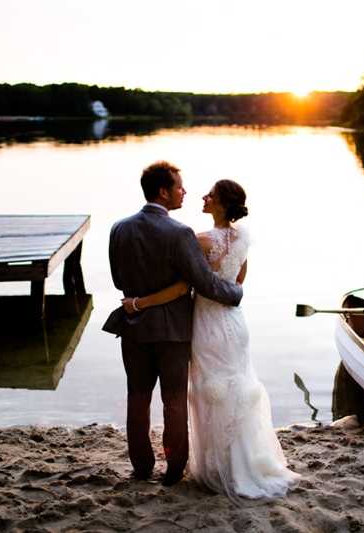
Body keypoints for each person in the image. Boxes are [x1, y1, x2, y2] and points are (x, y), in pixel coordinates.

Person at [121, 179, 302, 502]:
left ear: (220, 204)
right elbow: (238, 280)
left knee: (210, 392)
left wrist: (138, 303)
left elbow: (180, 289)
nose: (203, 197)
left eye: (211, 195)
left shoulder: (198, 240)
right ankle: (245, 461)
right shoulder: (243, 239)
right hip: (234, 324)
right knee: (238, 388)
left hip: (207, 325)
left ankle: (218, 466)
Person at [103, 161, 243, 487]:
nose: (185, 192)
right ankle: (173, 467)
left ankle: (141, 467)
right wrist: (234, 293)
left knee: (137, 397)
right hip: (173, 332)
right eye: (180, 187)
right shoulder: (179, 233)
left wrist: (139, 299)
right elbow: (204, 282)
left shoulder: (118, 228)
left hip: (134, 323)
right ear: (163, 192)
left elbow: (117, 278)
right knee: (174, 399)